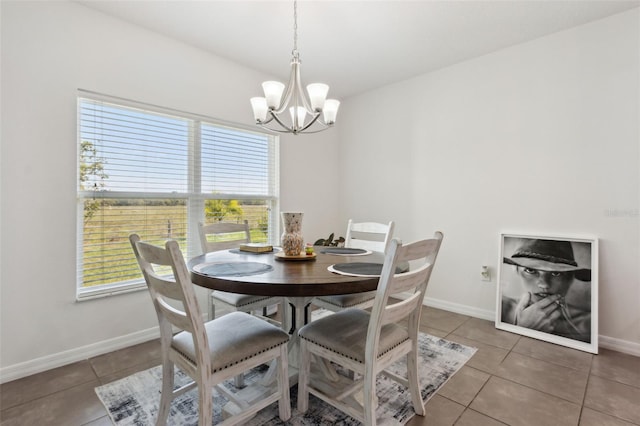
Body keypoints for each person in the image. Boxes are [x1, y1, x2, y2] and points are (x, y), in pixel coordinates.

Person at [501, 238, 591, 343]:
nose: (544, 284)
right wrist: (523, 328)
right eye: (530, 270)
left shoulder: (588, 325)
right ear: (516, 270)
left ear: (570, 278)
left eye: (556, 273)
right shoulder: (502, 309)